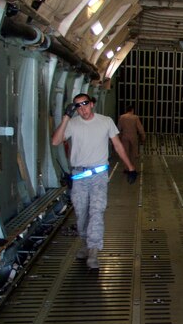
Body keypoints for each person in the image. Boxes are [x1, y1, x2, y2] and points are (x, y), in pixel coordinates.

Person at [52, 93, 138, 270]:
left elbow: (118, 145)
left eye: (85, 104)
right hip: (79, 176)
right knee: (81, 213)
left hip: (99, 176)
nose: (82, 108)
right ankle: (86, 243)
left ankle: (93, 251)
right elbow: (56, 141)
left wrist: (130, 167)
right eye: (77, 106)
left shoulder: (105, 122)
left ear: (91, 104)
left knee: (97, 211)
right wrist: (66, 117)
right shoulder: (72, 124)